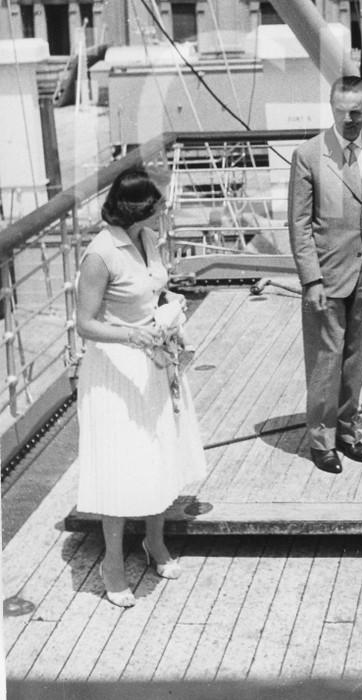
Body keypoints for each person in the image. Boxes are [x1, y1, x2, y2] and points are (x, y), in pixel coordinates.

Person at [74, 167, 205, 608]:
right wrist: (133, 335)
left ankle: (155, 542)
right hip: (116, 371)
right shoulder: (100, 253)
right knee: (120, 466)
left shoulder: (147, 239)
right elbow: (85, 324)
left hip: (154, 359)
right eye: (157, 204)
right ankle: (112, 563)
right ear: (137, 208)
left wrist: (170, 308)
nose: (163, 210)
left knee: (158, 453)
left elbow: (152, 290)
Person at [288, 76, 362, 474]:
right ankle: (321, 438)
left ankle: (348, 429)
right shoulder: (309, 154)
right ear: (332, 108)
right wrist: (311, 280)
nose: (348, 119)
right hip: (328, 275)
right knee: (325, 360)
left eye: (356, 112)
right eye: (340, 111)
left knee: (358, 357)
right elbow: (299, 224)